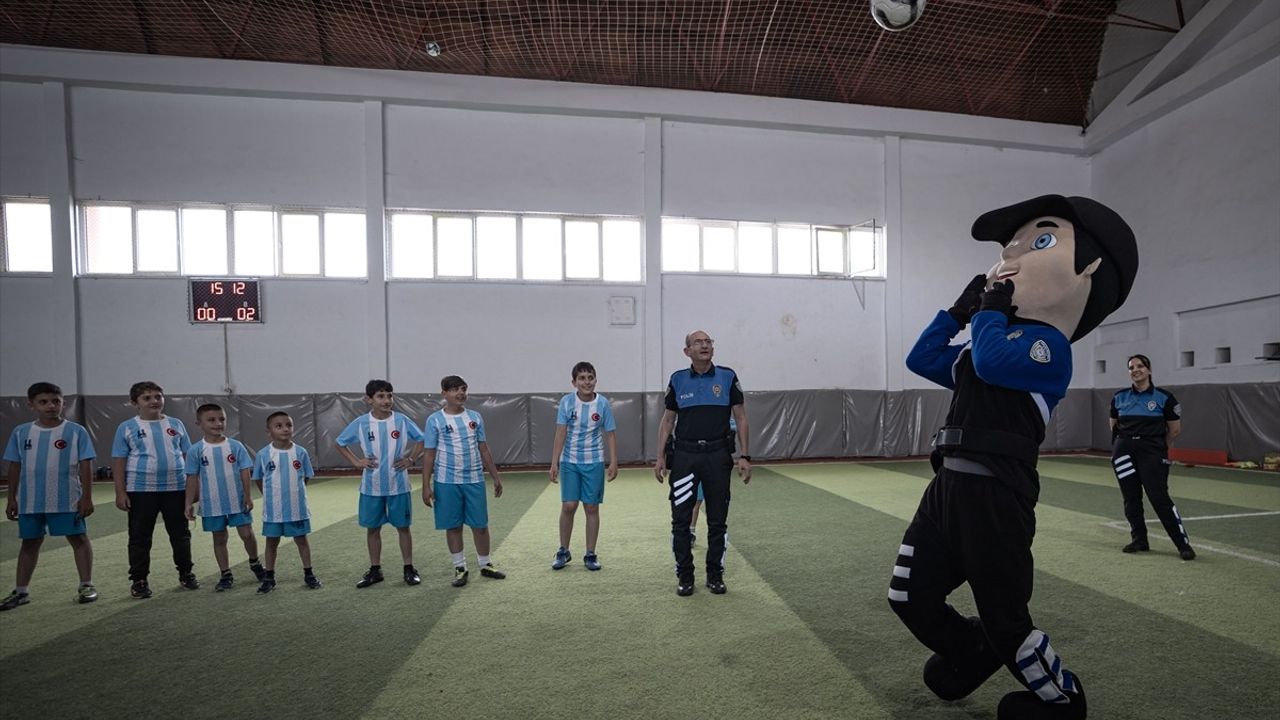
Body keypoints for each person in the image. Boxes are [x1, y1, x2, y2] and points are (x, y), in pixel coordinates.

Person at [889, 195, 1139, 720]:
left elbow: (995, 360)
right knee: (908, 595)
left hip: (996, 496)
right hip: (947, 489)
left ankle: (1063, 696)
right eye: (1011, 246)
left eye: (1038, 241)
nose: (1011, 259)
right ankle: (971, 651)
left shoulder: (1049, 345)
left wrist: (987, 313)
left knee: (1005, 618)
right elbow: (922, 358)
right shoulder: (987, 334)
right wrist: (959, 312)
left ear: (1089, 268)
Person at [653, 330, 751, 597]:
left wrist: (745, 456)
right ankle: (685, 576)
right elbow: (668, 421)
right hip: (684, 458)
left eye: (708, 342)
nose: (705, 345)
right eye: (698, 342)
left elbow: (741, 418)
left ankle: (715, 575)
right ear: (687, 351)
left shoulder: (728, 377)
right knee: (680, 521)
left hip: (718, 457)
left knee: (718, 521)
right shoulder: (677, 380)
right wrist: (661, 455)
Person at [1, 382, 98, 610]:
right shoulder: (21, 432)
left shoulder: (76, 431)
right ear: (31, 405)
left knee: (78, 539)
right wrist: (11, 498)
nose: (51, 406)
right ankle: (21, 591)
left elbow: (86, 465)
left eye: (56, 401)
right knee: (30, 542)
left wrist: (86, 497)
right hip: (31, 500)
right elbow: (14, 466)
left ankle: (86, 584)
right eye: (43, 402)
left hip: (67, 498)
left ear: (63, 403)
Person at [112, 380, 196, 598]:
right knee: (140, 537)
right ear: (134, 403)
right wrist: (120, 492)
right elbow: (119, 461)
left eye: (158, 396)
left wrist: (193, 488)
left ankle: (186, 573)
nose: (154, 401)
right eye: (147, 398)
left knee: (180, 534)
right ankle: (139, 580)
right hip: (140, 490)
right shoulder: (127, 427)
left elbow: (189, 457)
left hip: (175, 488)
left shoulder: (176, 424)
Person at [337, 379, 424, 589]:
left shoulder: (402, 420)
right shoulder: (361, 423)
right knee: (373, 528)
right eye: (381, 396)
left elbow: (422, 439)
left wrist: (411, 459)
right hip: (371, 486)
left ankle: (409, 568)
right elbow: (340, 442)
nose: (386, 400)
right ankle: (375, 570)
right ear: (369, 400)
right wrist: (357, 461)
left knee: (403, 527)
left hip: (398, 485)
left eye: (389, 396)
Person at [421, 375, 506, 587]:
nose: (460, 393)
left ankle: (485, 564)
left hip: (474, 479)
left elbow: (484, 449)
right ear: (444, 393)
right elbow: (429, 454)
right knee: (453, 525)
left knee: (480, 524)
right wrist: (426, 485)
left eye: (463, 389)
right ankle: (460, 567)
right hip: (446, 482)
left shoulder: (475, 417)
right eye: (454, 390)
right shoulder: (435, 420)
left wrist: (495, 476)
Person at [1110, 354, 1194, 560]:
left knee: (1159, 497)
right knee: (1130, 497)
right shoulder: (1119, 397)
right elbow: (1113, 425)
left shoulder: (1164, 398)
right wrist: (1122, 445)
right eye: (1131, 367)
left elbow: (1174, 430)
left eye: (1140, 366)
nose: (1135, 370)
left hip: (1152, 452)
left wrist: (1156, 448)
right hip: (1123, 452)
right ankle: (1140, 540)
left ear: (1149, 370)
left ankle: (1182, 544)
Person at [183, 403, 263, 592]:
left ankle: (255, 563)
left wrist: (248, 496)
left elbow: (245, 471)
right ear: (199, 423)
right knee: (219, 538)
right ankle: (225, 573)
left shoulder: (235, 446)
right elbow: (192, 478)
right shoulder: (195, 451)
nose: (218, 423)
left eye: (222, 419)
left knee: (246, 534)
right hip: (212, 505)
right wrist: (188, 503)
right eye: (211, 420)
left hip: (237, 501)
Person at [549, 361, 618, 571]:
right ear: (574, 382)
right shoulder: (567, 403)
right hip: (570, 462)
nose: (586, 382)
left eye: (590, 378)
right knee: (569, 505)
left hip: (594, 462)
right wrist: (554, 462)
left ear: (595, 380)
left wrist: (613, 461)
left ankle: (590, 553)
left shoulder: (603, 404)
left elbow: (610, 433)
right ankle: (563, 550)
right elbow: (560, 433)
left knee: (591, 507)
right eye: (582, 378)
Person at [253, 411, 321, 593]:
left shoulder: (300, 452)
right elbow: (259, 478)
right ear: (269, 431)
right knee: (271, 543)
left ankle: (309, 574)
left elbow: (305, 477)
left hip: (297, 509)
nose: (285, 429)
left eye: (288, 425)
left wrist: (295, 494)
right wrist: (269, 495)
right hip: (273, 510)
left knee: (302, 540)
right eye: (279, 426)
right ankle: (269, 577)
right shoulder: (263, 454)